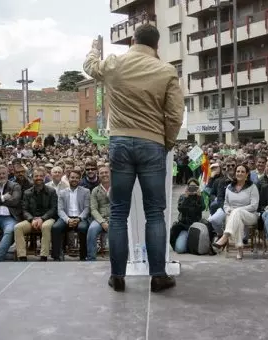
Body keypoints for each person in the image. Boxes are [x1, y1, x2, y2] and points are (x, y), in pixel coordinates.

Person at [84, 23, 183, 292]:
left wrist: (94, 49)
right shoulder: (166, 70)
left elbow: (90, 67)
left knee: (117, 214)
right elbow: (175, 114)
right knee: (154, 213)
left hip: (120, 143)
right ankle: (158, 276)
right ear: (157, 46)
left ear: (132, 40)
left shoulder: (115, 63)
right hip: (152, 143)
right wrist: (167, 142)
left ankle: (118, 275)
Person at [212, 164, 259, 259]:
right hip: (233, 214)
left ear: (247, 174)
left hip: (250, 215)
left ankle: (225, 237)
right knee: (237, 218)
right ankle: (239, 248)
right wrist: (228, 210)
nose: (240, 173)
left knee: (237, 213)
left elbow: (254, 206)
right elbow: (226, 203)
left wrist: (237, 209)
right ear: (235, 173)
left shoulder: (253, 187)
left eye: (242, 172)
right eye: (238, 171)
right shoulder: (229, 187)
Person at [14, 167, 57, 262]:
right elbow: (24, 210)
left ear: (45, 177)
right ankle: (22, 256)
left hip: (47, 218)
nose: (39, 178)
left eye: (41, 176)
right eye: (36, 176)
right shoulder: (27, 192)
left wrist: (42, 218)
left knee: (45, 227)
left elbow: (53, 209)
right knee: (18, 227)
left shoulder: (51, 191)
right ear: (32, 177)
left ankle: (43, 256)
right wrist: (32, 219)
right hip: (32, 219)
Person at [51, 170, 90, 261]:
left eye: (77, 178)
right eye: (72, 177)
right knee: (55, 228)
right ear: (68, 178)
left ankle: (83, 256)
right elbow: (60, 210)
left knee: (83, 228)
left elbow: (87, 208)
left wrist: (79, 218)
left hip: (80, 218)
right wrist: (68, 219)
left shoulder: (86, 191)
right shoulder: (62, 192)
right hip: (66, 218)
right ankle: (57, 256)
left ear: (80, 179)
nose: (74, 179)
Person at [170, 178, 204, 254]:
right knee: (179, 249)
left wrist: (199, 198)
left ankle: (189, 243)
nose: (192, 189)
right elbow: (180, 209)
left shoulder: (200, 197)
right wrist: (186, 198)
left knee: (198, 249)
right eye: (190, 187)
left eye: (195, 187)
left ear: (198, 188)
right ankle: (186, 242)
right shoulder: (183, 197)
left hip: (196, 228)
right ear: (187, 187)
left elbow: (202, 208)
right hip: (184, 227)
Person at [87, 166, 112, 260]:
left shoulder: (117, 187)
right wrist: (102, 222)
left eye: (106, 172)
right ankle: (91, 258)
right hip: (100, 219)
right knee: (92, 230)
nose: (104, 174)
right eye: (102, 173)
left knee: (118, 230)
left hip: (115, 218)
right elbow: (93, 209)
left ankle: (119, 257)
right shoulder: (95, 190)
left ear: (110, 174)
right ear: (98, 175)